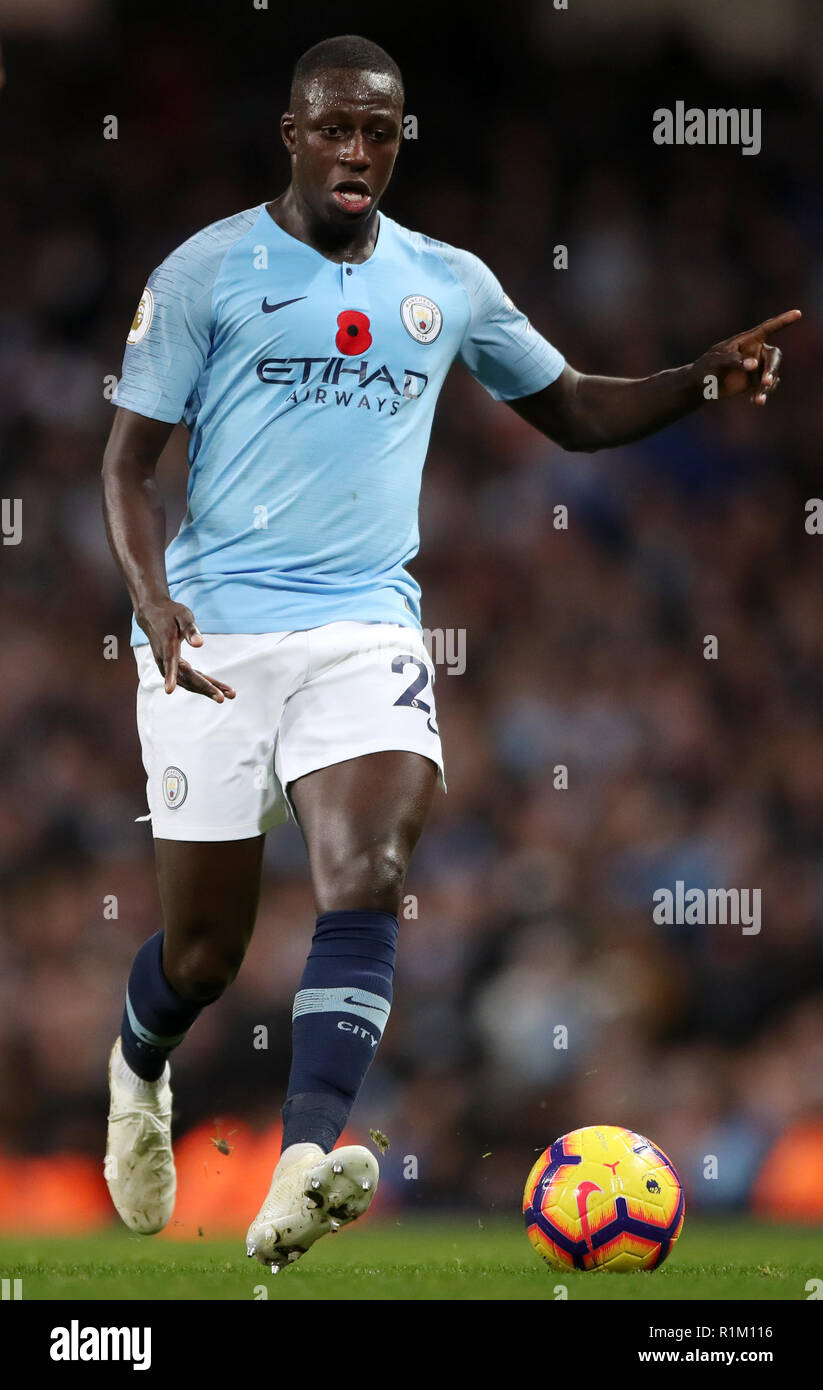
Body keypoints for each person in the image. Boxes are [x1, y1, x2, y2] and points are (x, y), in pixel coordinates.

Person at [101, 33, 799, 1273]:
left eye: (379, 129)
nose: (358, 149)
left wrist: (698, 378)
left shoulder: (449, 282)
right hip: (213, 630)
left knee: (368, 862)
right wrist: (150, 600)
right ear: (293, 133)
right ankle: (139, 1064)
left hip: (366, 623)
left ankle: (305, 1156)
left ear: (398, 137)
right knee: (204, 955)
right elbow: (122, 460)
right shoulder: (207, 270)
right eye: (335, 128)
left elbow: (573, 409)